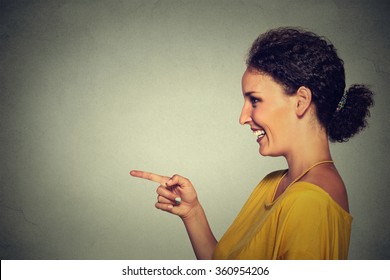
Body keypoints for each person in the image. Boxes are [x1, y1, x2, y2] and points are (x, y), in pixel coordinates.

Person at [130, 27, 374, 260]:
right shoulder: (275, 183)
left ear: (301, 101)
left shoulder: (310, 202)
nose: (243, 117)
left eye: (255, 100)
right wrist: (192, 212)